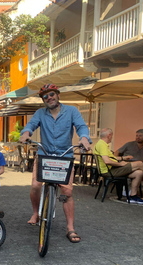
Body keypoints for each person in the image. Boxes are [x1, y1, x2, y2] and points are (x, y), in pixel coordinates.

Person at [19, 84, 92, 244]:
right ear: (43, 100)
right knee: (36, 186)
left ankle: (70, 228)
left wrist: (84, 138)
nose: (49, 98)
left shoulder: (72, 111)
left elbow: (81, 127)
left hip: (64, 156)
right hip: (44, 154)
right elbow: (31, 125)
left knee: (67, 192)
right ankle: (35, 213)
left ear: (57, 95)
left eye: (51, 94)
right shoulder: (40, 113)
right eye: (45, 96)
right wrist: (25, 133)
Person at [94, 128, 143, 204]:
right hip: (109, 171)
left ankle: (133, 196)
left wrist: (122, 158)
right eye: (112, 136)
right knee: (140, 164)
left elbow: (111, 157)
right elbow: (107, 161)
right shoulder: (102, 145)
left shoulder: (101, 144)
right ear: (109, 135)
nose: (112, 138)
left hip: (111, 169)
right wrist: (120, 164)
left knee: (139, 173)